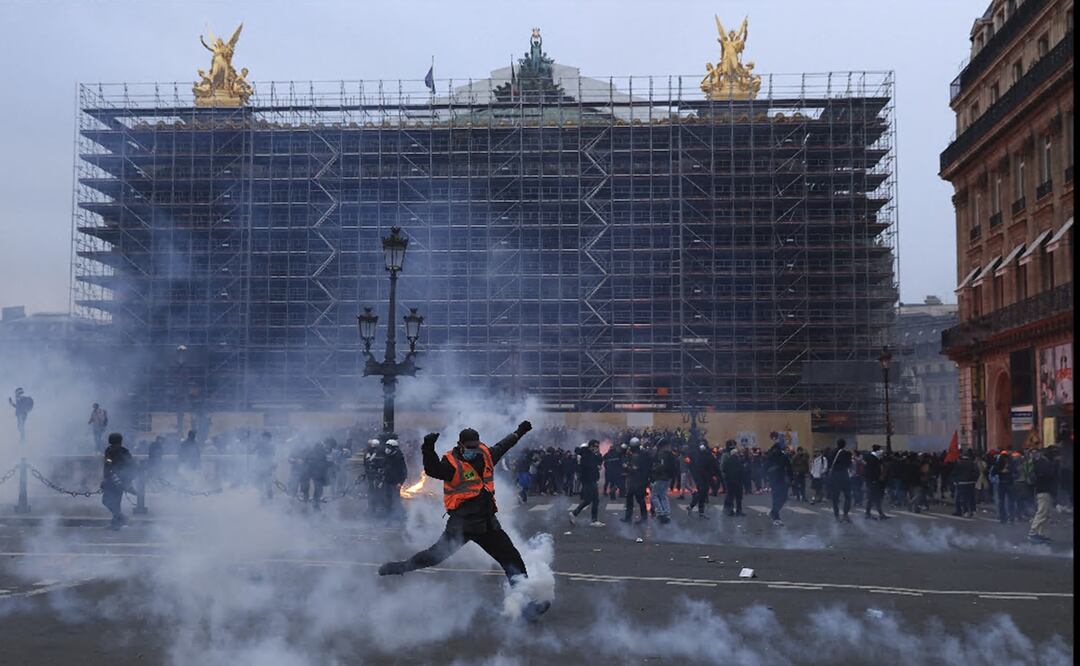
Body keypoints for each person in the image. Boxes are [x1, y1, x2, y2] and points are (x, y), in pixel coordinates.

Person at [378, 421, 551, 620]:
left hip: (487, 524)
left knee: (513, 560)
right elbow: (433, 469)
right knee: (434, 557)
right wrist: (428, 447)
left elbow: (504, 445)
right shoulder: (451, 464)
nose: (473, 450)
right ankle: (400, 567)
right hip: (461, 526)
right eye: (469, 447)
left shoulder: (486, 455)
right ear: (460, 445)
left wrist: (520, 431)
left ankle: (525, 607)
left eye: (475, 446)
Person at [101, 433, 134, 530]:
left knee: (106, 501)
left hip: (112, 480)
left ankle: (120, 518)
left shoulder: (109, 450)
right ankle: (116, 522)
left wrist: (105, 478)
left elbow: (108, 465)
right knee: (116, 502)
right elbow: (130, 465)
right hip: (122, 480)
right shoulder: (125, 451)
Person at [569, 440, 604, 526]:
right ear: (590, 446)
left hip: (592, 479)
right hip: (588, 479)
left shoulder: (591, 455)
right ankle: (593, 520)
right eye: (595, 446)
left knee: (590, 500)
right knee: (593, 500)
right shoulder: (585, 455)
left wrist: (598, 454)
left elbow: (599, 462)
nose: (596, 448)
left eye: (597, 447)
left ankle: (575, 513)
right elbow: (588, 466)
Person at [1028, 446, 1059, 543]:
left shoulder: (1041, 462)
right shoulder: (1044, 463)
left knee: (1046, 513)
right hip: (1043, 490)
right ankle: (1033, 532)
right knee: (1042, 512)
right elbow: (1048, 475)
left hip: (1044, 490)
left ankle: (1040, 533)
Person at [621, 438, 649, 524]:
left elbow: (634, 469)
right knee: (638, 500)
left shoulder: (636, 456)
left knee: (636, 500)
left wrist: (626, 467)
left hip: (636, 481)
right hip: (638, 481)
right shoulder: (641, 454)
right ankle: (641, 518)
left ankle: (630, 518)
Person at [764, 438, 792, 526]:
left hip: (782, 480)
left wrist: (791, 478)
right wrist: (767, 478)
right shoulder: (770, 457)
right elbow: (765, 469)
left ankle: (774, 512)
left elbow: (789, 468)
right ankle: (776, 517)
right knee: (776, 498)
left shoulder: (784, 457)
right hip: (774, 480)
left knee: (783, 498)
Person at [688, 443, 719, 518]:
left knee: (701, 492)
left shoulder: (699, 456)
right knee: (702, 493)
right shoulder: (707, 456)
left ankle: (693, 507)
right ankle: (698, 509)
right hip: (704, 477)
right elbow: (713, 466)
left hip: (701, 477)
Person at [649, 439, 676, 524]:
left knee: (654, 496)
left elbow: (661, 466)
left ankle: (660, 513)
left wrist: (653, 470)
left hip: (661, 477)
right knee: (663, 495)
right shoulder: (671, 454)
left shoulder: (662, 454)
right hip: (668, 478)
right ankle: (667, 513)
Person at [301, 440, 331, 511]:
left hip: (318, 475)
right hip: (312, 474)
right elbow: (306, 463)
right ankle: (307, 506)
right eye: (320, 447)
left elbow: (325, 463)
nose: (321, 448)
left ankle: (315, 506)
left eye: (321, 447)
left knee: (318, 491)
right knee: (308, 490)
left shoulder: (322, 454)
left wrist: (332, 463)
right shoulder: (312, 454)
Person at [828, 439, 854, 523]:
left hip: (834, 476)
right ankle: (845, 514)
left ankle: (837, 516)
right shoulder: (846, 454)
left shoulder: (831, 453)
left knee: (835, 498)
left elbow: (829, 463)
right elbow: (849, 464)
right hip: (843, 476)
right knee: (848, 496)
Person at [382, 439, 408, 520]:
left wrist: (400, 482)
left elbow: (404, 471)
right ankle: (389, 516)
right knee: (387, 499)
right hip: (388, 481)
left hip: (395, 483)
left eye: (389, 447)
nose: (387, 449)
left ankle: (400, 516)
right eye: (387, 446)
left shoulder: (399, 458)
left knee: (396, 500)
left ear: (394, 448)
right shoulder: (388, 456)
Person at [863, 446, 889, 520]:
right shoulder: (873, 460)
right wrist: (874, 479)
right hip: (874, 481)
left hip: (875, 481)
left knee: (875, 498)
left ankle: (877, 514)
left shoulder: (875, 459)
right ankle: (870, 514)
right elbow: (871, 471)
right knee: (873, 498)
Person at [720, 440, 745, 516]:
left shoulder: (738, 458)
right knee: (731, 495)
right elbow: (723, 467)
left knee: (734, 495)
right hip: (731, 479)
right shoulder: (725, 456)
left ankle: (734, 510)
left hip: (733, 479)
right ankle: (730, 509)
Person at [952, 449, 978, 517]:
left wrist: (955, 481)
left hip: (961, 483)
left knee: (963, 498)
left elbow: (955, 473)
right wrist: (974, 480)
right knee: (972, 497)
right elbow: (976, 472)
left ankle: (965, 511)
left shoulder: (959, 463)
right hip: (971, 482)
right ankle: (973, 511)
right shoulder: (972, 463)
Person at [254, 431, 276, 501]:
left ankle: (269, 498)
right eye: (263, 437)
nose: (264, 439)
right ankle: (262, 496)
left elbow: (273, 456)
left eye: (265, 437)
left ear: (269, 438)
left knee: (268, 483)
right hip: (260, 466)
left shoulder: (271, 445)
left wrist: (273, 465)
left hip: (267, 466)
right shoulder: (260, 444)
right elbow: (252, 450)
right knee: (260, 483)